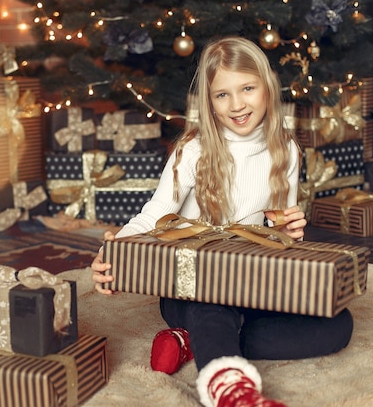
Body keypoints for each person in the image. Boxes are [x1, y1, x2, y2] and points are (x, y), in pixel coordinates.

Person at [90, 36, 353, 407]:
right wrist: (113, 250)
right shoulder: (193, 149)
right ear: (209, 102)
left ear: (267, 88)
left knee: (338, 326)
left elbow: (275, 234)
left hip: (251, 282)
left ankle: (192, 342)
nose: (237, 104)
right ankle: (229, 388)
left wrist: (288, 232)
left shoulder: (287, 151)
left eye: (247, 88)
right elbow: (155, 214)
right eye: (222, 95)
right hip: (192, 290)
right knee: (211, 301)